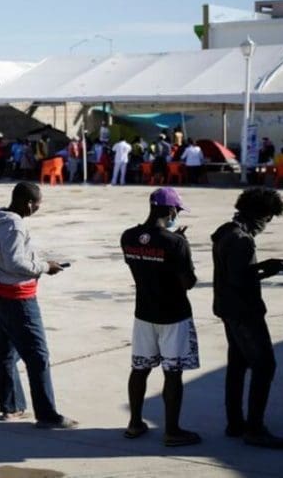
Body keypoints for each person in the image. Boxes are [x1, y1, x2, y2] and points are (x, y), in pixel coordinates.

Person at [0, 182, 77, 429]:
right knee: (38, 356)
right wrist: (45, 267)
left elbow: (0, 257)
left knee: (6, 352)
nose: (37, 208)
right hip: (18, 299)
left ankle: (12, 406)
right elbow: (15, 262)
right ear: (28, 203)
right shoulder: (14, 226)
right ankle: (47, 414)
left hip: (1, 294)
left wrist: (39, 261)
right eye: (37, 204)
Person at [120, 187, 201, 446]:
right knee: (172, 373)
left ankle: (134, 423)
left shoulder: (128, 236)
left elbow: (142, 266)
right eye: (177, 211)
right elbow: (188, 282)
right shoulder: (176, 243)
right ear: (171, 210)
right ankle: (172, 431)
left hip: (144, 313)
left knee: (140, 368)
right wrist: (182, 247)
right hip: (173, 315)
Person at [211, 187, 283, 449]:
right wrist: (266, 270)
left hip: (227, 308)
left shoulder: (226, 231)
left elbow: (235, 272)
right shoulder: (242, 240)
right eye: (267, 218)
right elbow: (240, 279)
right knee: (264, 366)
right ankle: (255, 428)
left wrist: (262, 267)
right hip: (244, 312)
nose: (266, 224)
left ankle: (235, 422)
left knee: (237, 365)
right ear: (258, 214)